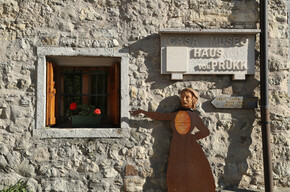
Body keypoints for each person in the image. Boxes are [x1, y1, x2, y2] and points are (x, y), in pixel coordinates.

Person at [131, 88, 216, 192]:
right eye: (182, 97)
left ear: (193, 100)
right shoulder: (176, 115)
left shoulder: (194, 116)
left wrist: (192, 137)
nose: (184, 100)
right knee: (176, 171)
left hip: (191, 148)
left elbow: (205, 132)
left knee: (191, 171)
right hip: (177, 146)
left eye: (187, 97)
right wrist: (143, 112)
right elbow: (160, 116)